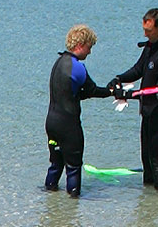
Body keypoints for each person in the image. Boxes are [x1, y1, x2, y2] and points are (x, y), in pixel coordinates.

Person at [113, 9, 158, 191]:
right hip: (149, 112)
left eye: (149, 31)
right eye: (144, 30)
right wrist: (119, 79)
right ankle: (148, 206)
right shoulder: (151, 46)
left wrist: (130, 94)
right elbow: (138, 70)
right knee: (146, 158)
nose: (145, 34)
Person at [44, 24, 114, 195]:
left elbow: (71, 94)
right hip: (68, 126)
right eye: (89, 47)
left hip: (51, 124)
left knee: (56, 164)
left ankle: (49, 201)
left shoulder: (58, 63)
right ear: (80, 45)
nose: (89, 52)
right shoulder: (77, 67)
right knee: (74, 167)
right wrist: (113, 92)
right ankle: (73, 209)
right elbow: (93, 90)